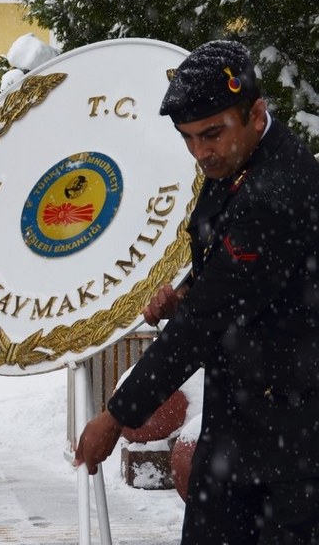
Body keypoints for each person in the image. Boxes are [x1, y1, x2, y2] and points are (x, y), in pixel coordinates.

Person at [74, 40, 319, 544]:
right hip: (239, 422)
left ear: (256, 112)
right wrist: (186, 290)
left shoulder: (278, 189)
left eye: (210, 135)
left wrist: (118, 415)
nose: (201, 152)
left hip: (292, 441)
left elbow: (207, 322)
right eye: (188, 139)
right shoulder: (237, 158)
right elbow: (224, 263)